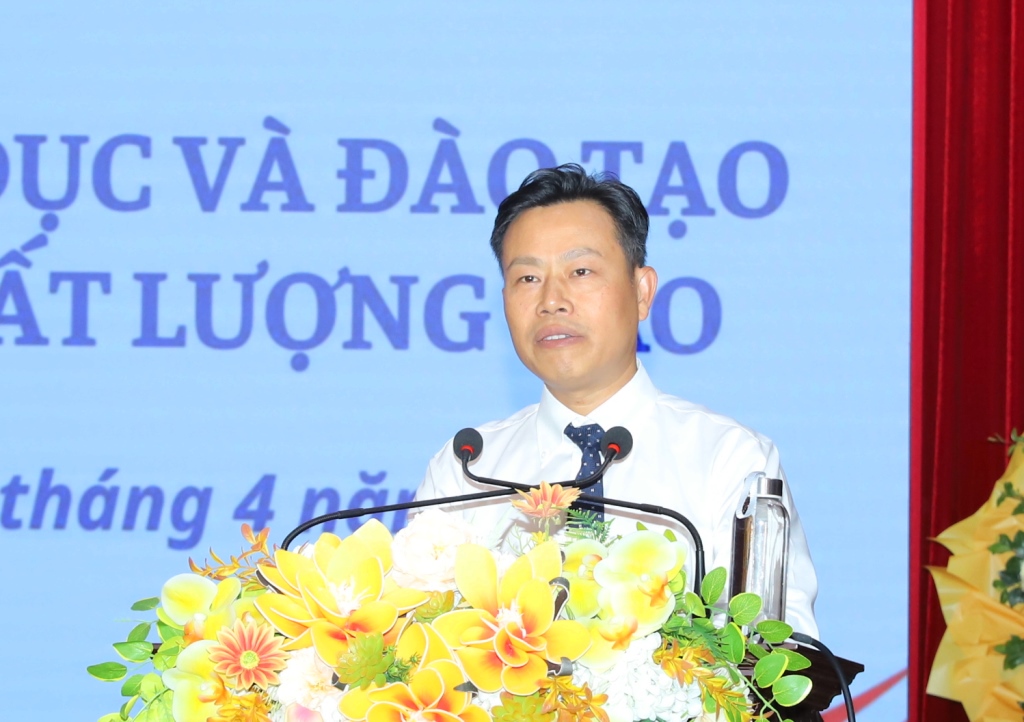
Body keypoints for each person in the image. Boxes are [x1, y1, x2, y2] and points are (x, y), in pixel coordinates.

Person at [414, 163, 818, 636]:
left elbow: (782, 650)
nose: (552, 300)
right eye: (527, 279)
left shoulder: (729, 460)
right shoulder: (466, 469)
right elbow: (418, 640)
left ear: (642, 292)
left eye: (581, 271)